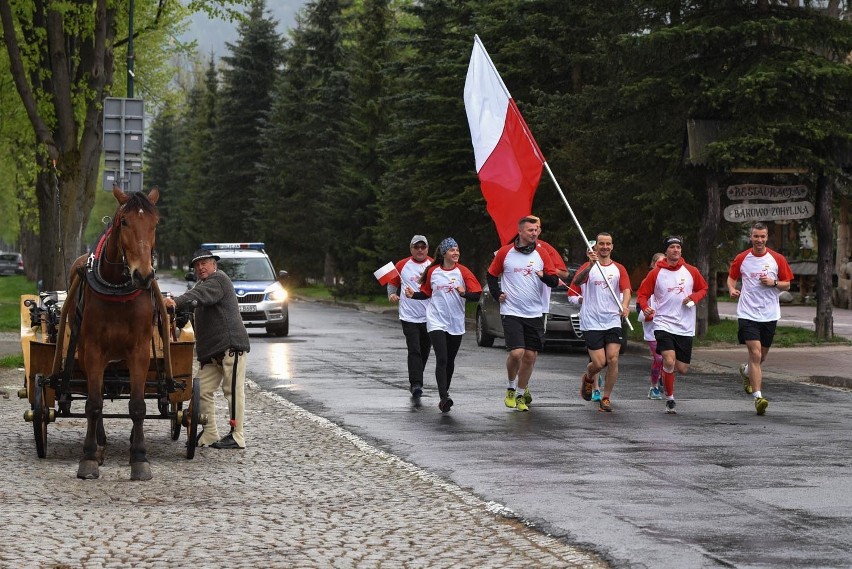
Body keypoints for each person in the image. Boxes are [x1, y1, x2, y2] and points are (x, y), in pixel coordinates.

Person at [163, 248, 251, 449]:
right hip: (211, 354)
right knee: (201, 390)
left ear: (214, 264)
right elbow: (196, 301)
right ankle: (210, 433)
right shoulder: (201, 285)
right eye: (197, 264)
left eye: (205, 263)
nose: (201, 267)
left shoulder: (218, 280)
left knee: (233, 391)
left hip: (231, 346)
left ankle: (237, 435)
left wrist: (175, 301)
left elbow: (199, 295)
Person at [487, 216, 559, 412]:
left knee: (530, 355)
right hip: (511, 310)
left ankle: (520, 394)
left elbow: (554, 281)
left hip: (534, 311)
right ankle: (510, 387)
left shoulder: (542, 254)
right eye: (530, 230)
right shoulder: (505, 253)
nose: (534, 233)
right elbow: (491, 275)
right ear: (520, 232)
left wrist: (545, 277)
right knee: (517, 352)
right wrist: (497, 293)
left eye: (536, 230)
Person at [405, 237, 481, 413]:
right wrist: (413, 295)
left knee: (450, 360)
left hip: (455, 321)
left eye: (457, 250)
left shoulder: (463, 271)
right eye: (452, 250)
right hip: (436, 320)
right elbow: (426, 293)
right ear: (444, 253)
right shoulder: (433, 271)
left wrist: (464, 293)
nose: (456, 253)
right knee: (442, 358)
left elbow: (476, 294)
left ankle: (445, 390)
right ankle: (443, 397)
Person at [726, 222, 794, 416]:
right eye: (756, 236)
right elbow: (732, 277)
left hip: (770, 314)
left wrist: (773, 283)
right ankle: (758, 397)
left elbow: (787, 285)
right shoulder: (742, 258)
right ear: (751, 237)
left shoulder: (777, 259)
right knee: (755, 354)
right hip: (747, 313)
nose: (759, 240)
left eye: (762, 236)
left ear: (767, 237)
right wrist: (732, 289)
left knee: (761, 357)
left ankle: (746, 371)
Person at [636, 236, 708, 414]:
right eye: (672, 247)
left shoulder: (691, 271)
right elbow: (642, 294)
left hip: (684, 325)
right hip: (663, 323)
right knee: (668, 360)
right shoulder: (656, 273)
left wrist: (693, 298)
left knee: (682, 369)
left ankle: (667, 376)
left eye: (678, 247)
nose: (676, 250)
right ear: (666, 251)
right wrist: (645, 308)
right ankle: (670, 398)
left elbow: (703, 288)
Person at [567, 232, 631, 412]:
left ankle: (606, 397)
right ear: (595, 247)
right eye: (601, 244)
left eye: (608, 244)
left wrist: (625, 306)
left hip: (612, 320)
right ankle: (588, 377)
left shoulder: (619, 268)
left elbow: (626, 289)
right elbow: (577, 283)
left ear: (612, 246)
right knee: (599, 363)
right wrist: (590, 265)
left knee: (613, 359)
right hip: (592, 321)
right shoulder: (588, 267)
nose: (604, 247)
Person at [387, 235, 433, 399]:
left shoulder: (433, 265)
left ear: (427, 248)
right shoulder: (402, 264)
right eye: (416, 247)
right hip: (408, 316)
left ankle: (417, 377)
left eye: (423, 247)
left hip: (429, 316)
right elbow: (392, 282)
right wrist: (392, 294)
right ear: (411, 249)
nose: (420, 250)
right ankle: (416, 384)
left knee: (425, 350)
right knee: (414, 349)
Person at [637, 253, 666, 400]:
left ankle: (658, 383)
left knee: (665, 359)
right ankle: (654, 386)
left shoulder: (669, 280)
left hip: (667, 326)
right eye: (658, 263)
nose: (661, 266)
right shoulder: (647, 281)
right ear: (653, 264)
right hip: (652, 328)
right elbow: (639, 308)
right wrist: (648, 313)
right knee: (660, 358)